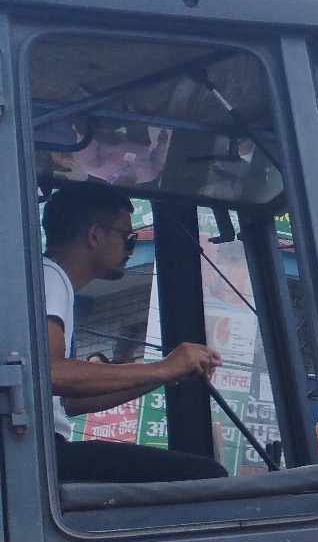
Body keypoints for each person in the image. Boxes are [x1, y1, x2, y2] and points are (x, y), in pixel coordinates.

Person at [44, 185, 226, 484]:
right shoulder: (49, 277)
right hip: (43, 455)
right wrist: (164, 366)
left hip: (40, 453)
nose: (130, 249)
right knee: (205, 477)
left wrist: (164, 374)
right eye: (128, 239)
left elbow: (70, 403)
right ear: (95, 235)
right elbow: (50, 373)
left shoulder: (52, 283)